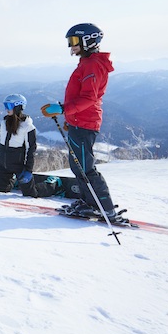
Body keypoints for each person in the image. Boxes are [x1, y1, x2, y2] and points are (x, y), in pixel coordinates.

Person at [41, 22, 120, 221]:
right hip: (80, 121)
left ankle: (105, 208)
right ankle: (89, 202)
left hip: (85, 123)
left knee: (85, 168)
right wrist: (69, 117)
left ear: (88, 40)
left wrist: (64, 109)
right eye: (70, 41)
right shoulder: (87, 62)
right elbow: (81, 96)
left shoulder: (92, 64)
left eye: (74, 41)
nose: (71, 46)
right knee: (78, 166)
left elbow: (89, 98)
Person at [0, 94, 37, 193]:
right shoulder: (4, 122)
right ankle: (14, 182)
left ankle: (54, 185)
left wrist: (28, 170)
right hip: (4, 165)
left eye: (9, 106)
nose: (6, 109)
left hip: (19, 165)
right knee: (0, 189)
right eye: (5, 105)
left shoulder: (27, 126)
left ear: (18, 107)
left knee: (30, 193)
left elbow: (31, 149)